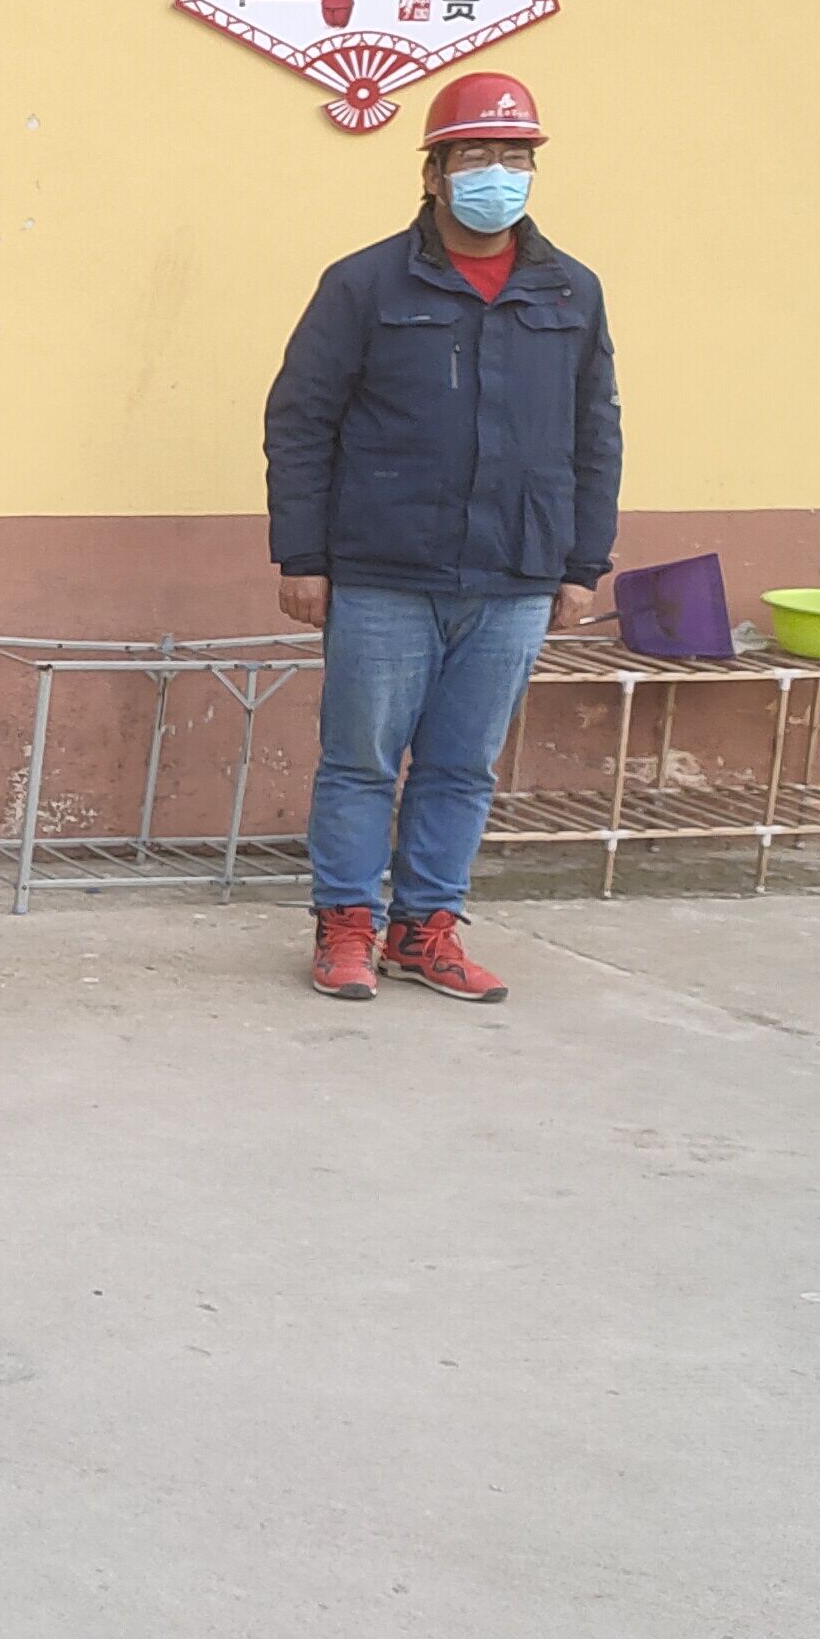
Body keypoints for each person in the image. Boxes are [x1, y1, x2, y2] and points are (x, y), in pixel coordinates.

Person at [264, 68, 619, 1005]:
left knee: (463, 765)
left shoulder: (571, 291)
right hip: (383, 568)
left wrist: (582, 563)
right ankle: (347, 924)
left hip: (514, 572)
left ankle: (427, 928)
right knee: (361, 761)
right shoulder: (364, 283)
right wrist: (304, 556)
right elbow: (301, 420)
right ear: (433, 174)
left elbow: (595, 432)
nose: (498, 174)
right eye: (476, 156)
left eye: (515, 157)